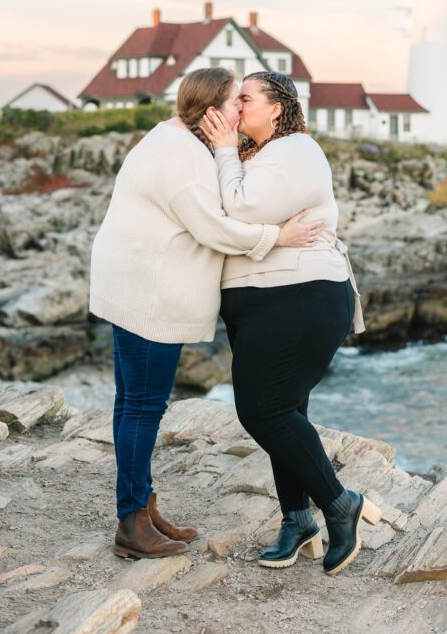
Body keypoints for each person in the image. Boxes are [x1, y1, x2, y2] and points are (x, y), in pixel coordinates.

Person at [89, 68, 322, 561]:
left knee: (130, 401)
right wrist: (276, 238)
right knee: (142, 406)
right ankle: (132, 522)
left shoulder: (173, 138)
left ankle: (141, 507)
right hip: (148, 292)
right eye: (237, 100)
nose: (243, 108)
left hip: (132, 281)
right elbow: (214, 227)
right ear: (214, 110)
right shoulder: (181, 156)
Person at [201, 71, 381, 576]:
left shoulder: (296, 150)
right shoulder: (254, 156)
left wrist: (221, 151)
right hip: (258, 300)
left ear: (278, 107)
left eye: (246, 98)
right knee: (287, 409)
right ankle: (298, 519)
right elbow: (219, 222)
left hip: (300, 294)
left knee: (263, 409)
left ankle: (340, 504)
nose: (237, 106)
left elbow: (239, 207)